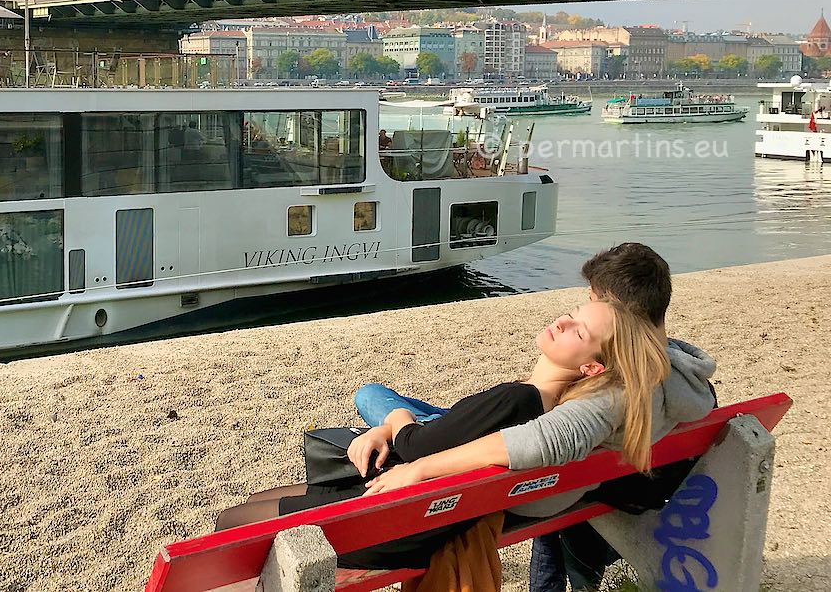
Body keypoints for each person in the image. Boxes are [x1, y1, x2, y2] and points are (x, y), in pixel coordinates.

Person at [214, 298, 680, 571]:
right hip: (418, 511)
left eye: (578, 329)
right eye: (571, 313)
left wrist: (394, 418)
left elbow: (417, 446)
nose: (561, 321)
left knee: (231, 525)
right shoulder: (553, 407)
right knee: (260, 503)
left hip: (397, 520)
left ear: (591, 367)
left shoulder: (519, 400)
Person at [352, 243, 716, 592]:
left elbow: (540, 440)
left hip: (527, 478)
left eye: (593, 303)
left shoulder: (621, 390)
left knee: (374, 398)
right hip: (563, 479)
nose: (584, 309)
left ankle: (404, 420)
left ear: (622, 314)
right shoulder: (683, 382)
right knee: (422, 412)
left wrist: (415, 458)